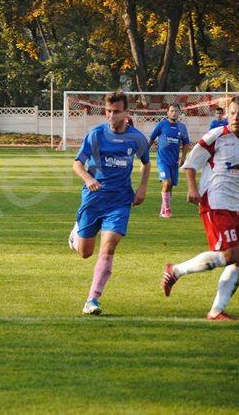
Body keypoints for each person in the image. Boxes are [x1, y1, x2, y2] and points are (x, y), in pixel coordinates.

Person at [161, 95, 239, 320]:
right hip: (215, 202)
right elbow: (191, 162)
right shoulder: (216, 135)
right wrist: (192, 188)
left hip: (236, 206)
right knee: (230, 254)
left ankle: (216, 311)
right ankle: (176, 270)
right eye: (232, 113)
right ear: (227, 114)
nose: (236, 117)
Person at [68, 90, 151, 315]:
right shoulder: (96, 135)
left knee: (109, 246)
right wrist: (89, 179)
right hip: (94, 199)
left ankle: (92, 299)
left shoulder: (136, 138)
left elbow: (146, 162)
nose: (112, 116)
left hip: (120, 201)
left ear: (126, 112)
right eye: (108, 111)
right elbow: (77, 164)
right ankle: (76, 235)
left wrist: (142, 187)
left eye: (116, 112)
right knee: (85, 252)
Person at [148, 103, 190, 218]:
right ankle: (167, 210)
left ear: (179, 113)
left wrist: (183, 157)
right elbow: (151, 138)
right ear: (167, 113)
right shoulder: (162, 125)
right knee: (167, 182)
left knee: (170, 186)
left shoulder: (182, 127)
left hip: (174, 161)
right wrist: (145, 153)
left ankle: (163, 209)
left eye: (176, 111)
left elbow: (186, 144)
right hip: (162, 160)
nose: (174, 113)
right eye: (171, 111)